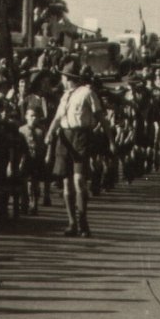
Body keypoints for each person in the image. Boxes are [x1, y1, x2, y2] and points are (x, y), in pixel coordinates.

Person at [45, 60, 103, 238]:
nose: (61, 79)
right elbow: (57, 118)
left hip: (80, 137)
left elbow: (100, 116)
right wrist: (49, 134)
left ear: (68, 78)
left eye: (63, 77)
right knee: (66, 182)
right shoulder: (65, 95)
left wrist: (106, 136)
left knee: (79, 180)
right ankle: (71, 222)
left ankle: (82, 219)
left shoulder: (87, 92)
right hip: (64, 138)